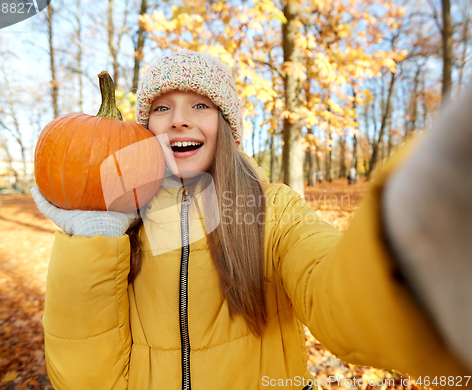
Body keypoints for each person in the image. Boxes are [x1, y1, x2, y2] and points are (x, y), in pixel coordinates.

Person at [31, 51, 472, 390]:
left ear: (226, 124)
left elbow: (331, 289)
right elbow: (86, 378)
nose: (179, 119)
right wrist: (93, 237)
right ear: (145, 127)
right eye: (162, 108)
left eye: (200, 105)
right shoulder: (118, 227)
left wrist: (412, 250)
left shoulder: (274, 210)